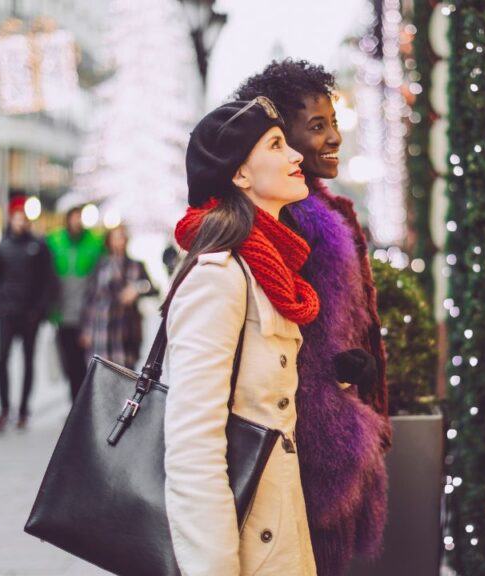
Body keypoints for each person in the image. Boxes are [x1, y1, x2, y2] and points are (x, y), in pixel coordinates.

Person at [235, 61, 390, 575]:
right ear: (277, 138)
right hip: (300, 444)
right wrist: (331, 371)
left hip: (336, 427)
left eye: (333, 122)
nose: (333, 137)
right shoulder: (277, 219)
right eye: (316, 126)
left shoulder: (333, 210)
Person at [163, 97, 319, 575]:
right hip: (246, 547)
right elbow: (193, 444)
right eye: (276, 145)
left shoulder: (268, 270)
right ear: (240, 176)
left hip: (279, 527)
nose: (296, 156)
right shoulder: (219, 276)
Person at [0, 198, 55, 432]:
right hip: (7, 313)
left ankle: (24, 409)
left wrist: (39, 309)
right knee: (2, 360)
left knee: (27, 361)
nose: (20, 222)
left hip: (30, 315)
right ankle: (4, 408)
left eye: (23, 218)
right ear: (10, 220)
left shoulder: (38, 246)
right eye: (16, 218)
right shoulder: (2, 248)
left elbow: (47, 280)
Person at [46, 206, 104, 400]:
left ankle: (84, 403)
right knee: (70, 364)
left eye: (80, 217)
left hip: (87, 314)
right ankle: (75, 404)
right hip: (63, 313)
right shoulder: (54, 241)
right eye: (74, 217)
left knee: (85, 363)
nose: (77, 221)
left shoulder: (95, 242)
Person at [80, 225, 156, 368]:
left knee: (125, 372)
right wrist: (87, 330)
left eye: (121, 237)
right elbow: (91, 298)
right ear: (108, 241)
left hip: (126, 326)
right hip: (102, 325)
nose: (119, 241)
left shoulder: (135, 264)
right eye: (115, 237)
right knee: (102, 372)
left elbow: (151, 287)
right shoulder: (101, 265)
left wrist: (137, 289)